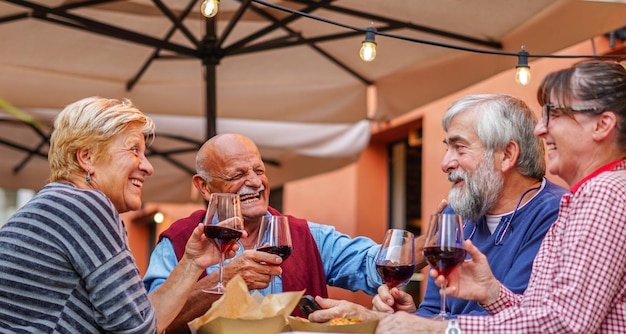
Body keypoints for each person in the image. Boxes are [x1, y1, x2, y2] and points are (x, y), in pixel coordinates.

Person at [377, 60, 626, 333]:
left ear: (602, 125)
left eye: (554, 114)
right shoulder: (590, 195)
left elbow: (563, 323)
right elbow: (539, 315)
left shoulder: (603, 193)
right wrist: (491, 293)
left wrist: (445, 330)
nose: (541, 130)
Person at [306, 93, 568, 322]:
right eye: (447, 148)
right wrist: (408, 318)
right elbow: (434, 311)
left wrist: (382, 322)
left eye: (459, 147)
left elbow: (517, 322)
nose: (445, 163)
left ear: (507, 155)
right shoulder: (454, 215)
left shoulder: (557, 213)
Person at [0, 97, 233, 333]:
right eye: (134, 150)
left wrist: (192, 262)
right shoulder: (86, 207)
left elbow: (140, 320)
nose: (148, 167)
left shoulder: (54, 205)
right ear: (87, 157)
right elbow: (138, 331)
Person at [143, 133, 386, 333]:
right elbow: (150, 324)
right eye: (238, 175)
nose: (256, 182)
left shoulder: (304, 235)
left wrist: (420, 247)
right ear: (204, 187)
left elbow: (376, 263)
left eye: (259, 171)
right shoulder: (178, 241)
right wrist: (227, 280)